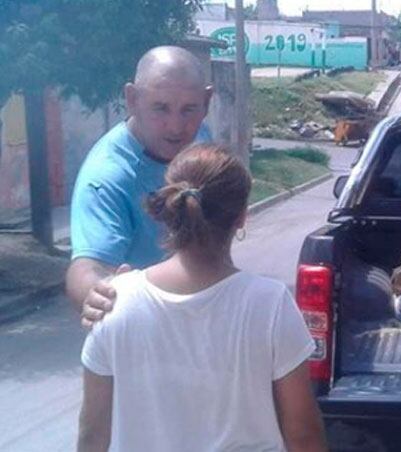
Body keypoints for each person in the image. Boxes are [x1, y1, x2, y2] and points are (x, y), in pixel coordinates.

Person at [77, 144, 327, 452]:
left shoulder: (113, 300)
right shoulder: (270, 304)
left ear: (169, 209)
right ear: (241, 218)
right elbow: (302, 433)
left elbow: (92, 433)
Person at [66, 46, 213, 327]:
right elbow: (88, 263)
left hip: (202, 317)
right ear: (132, 100)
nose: (176, 126)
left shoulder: (200, 135)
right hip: (147, 330)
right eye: (160, 108)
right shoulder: (108, 176)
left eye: (189, 109)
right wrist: (95, 293)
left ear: (206, 102)